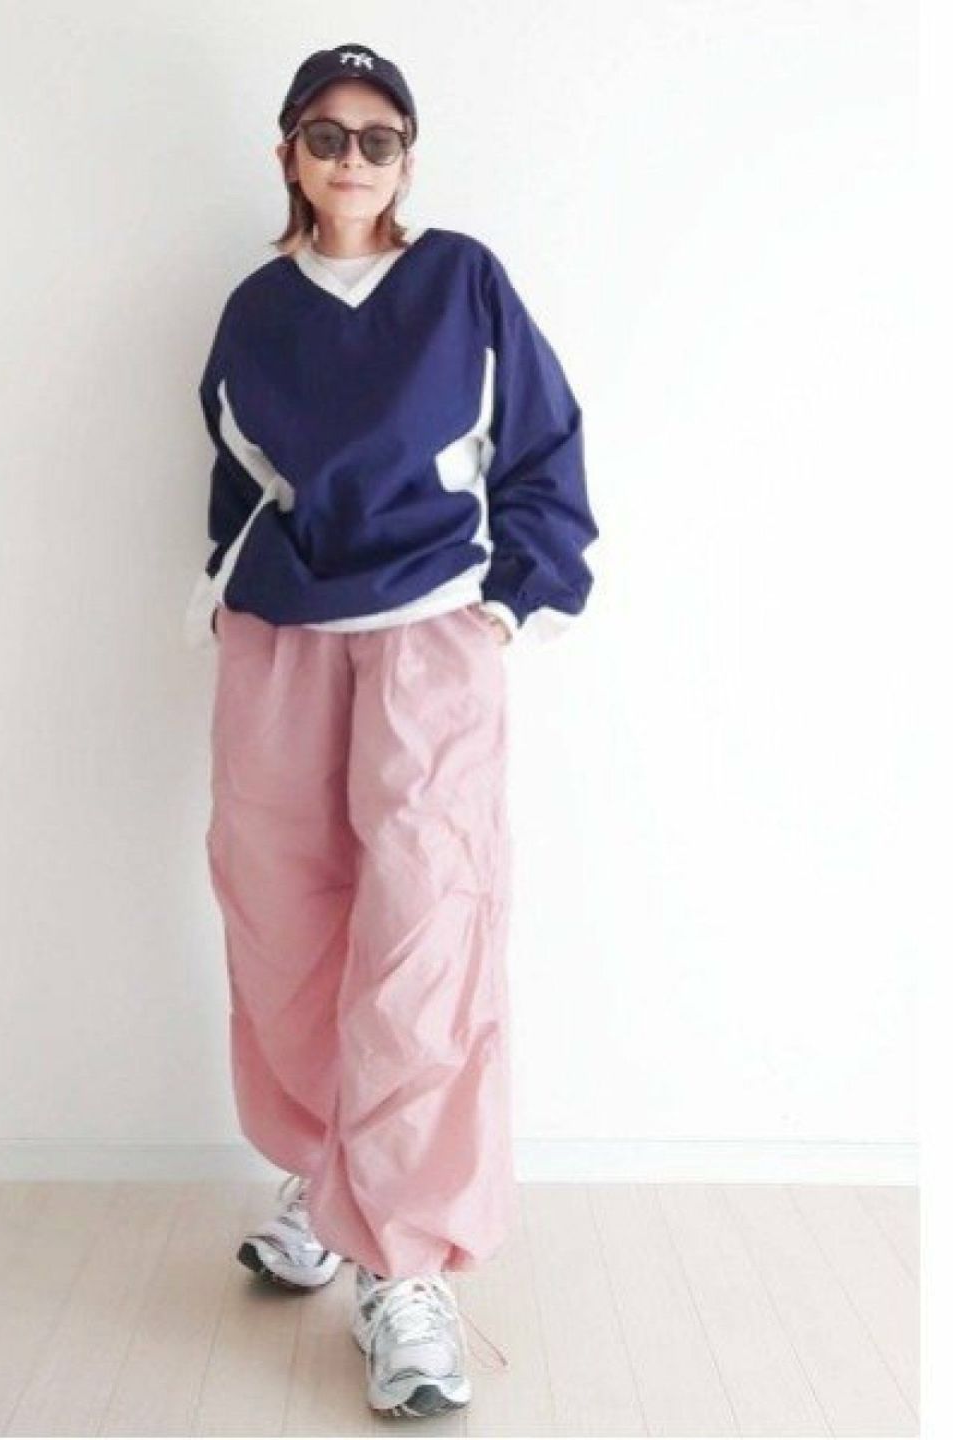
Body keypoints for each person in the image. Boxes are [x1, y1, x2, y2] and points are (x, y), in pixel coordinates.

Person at [185, 42, 599, 1420]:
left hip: (431, 630)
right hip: (279, 637)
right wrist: (223, 602)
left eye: (378, 137)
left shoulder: (461, 282)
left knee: (426, 934)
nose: (351, 158)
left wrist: (513, 606)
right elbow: (234, 473)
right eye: (326, 134)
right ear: (288, 154)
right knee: (280, 920)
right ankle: (327, 1180)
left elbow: (542, 446)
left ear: (408, 157)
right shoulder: (256, 309)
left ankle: (405, 1260)